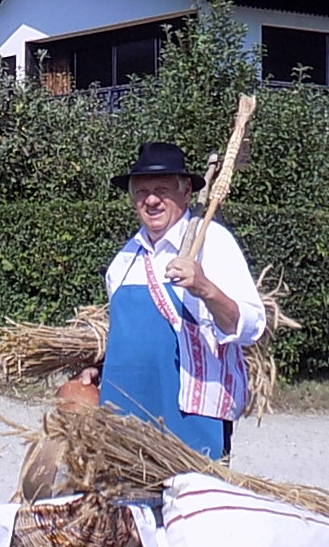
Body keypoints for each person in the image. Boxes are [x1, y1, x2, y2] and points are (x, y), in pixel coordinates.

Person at [95, 141, 266, 459]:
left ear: (186, 192)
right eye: (141, 192)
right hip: (124, 427)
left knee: (193, 508)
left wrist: (206, 288)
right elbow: (126, 339)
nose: (151, 200)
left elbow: (251, 327)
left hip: (192, 424)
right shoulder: (123, 260)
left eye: (162, 189)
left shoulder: (213, 242)